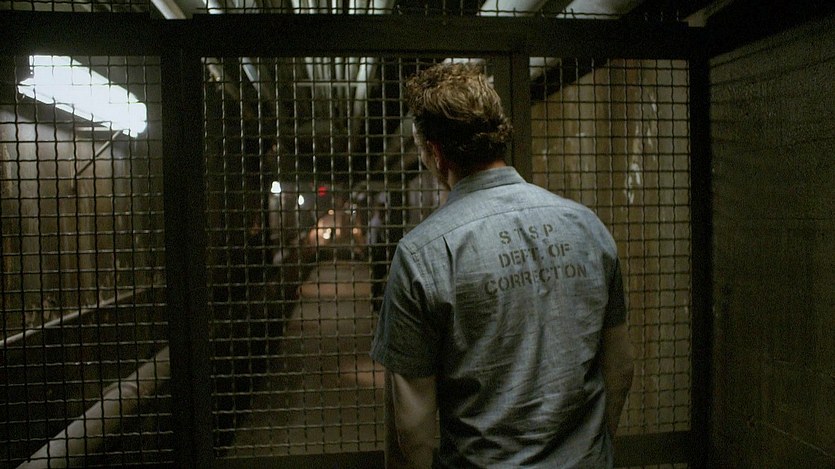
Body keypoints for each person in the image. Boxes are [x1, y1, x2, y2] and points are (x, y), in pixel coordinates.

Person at [370, 62, 634, 468]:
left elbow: (413, 427)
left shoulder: (422, 255)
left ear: (436, 153)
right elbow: (620, 368)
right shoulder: (587, 227)